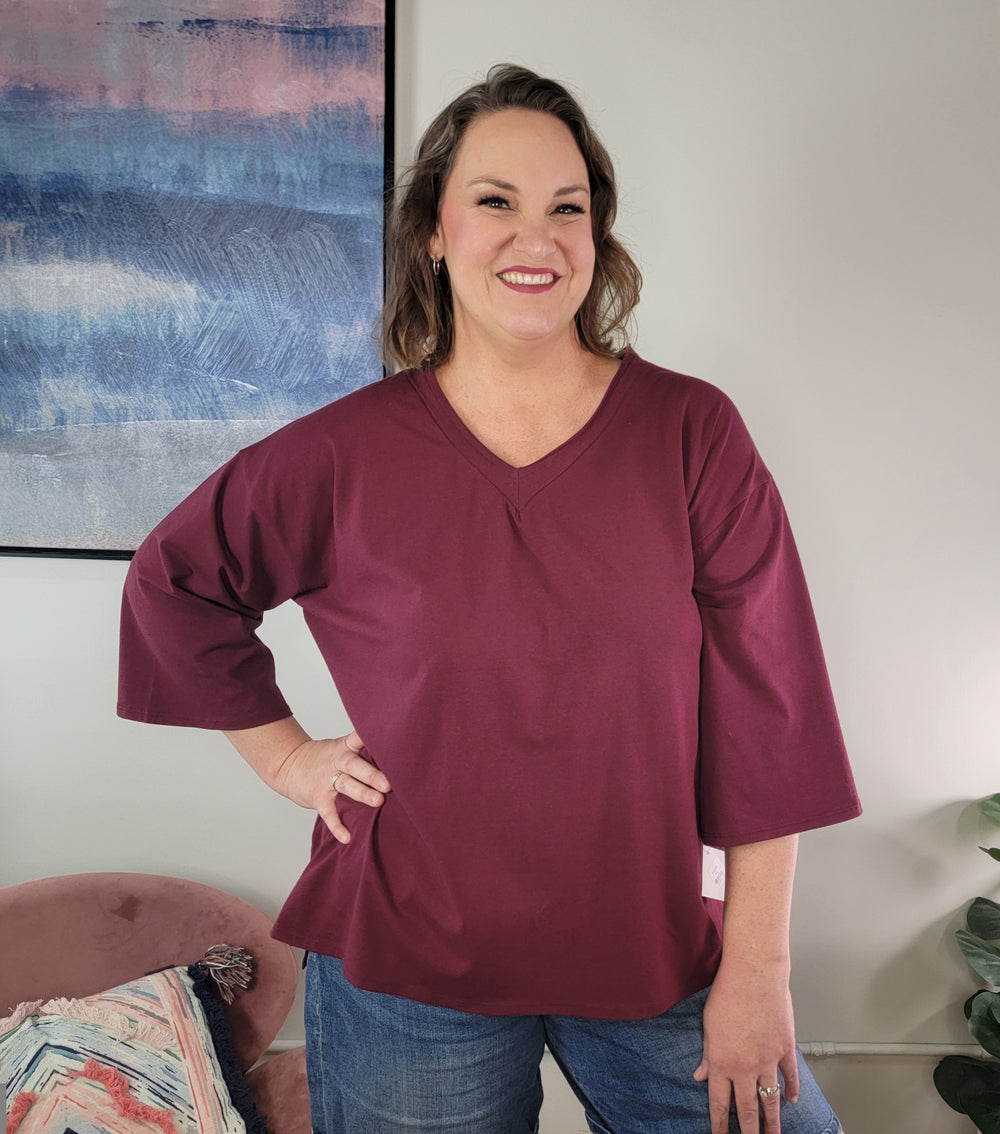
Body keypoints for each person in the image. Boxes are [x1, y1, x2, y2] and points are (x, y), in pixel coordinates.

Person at [118, 64, 861, 1134]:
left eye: (568, 207)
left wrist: (756, 973)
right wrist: (286, 757)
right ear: (433, 230)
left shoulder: (691, 434)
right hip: (407, 963)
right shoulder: (344, 453)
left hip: (651, 944)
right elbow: (176, 583)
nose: (537, 237)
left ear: (597, 235)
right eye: (496, 202)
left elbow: (769, 712)